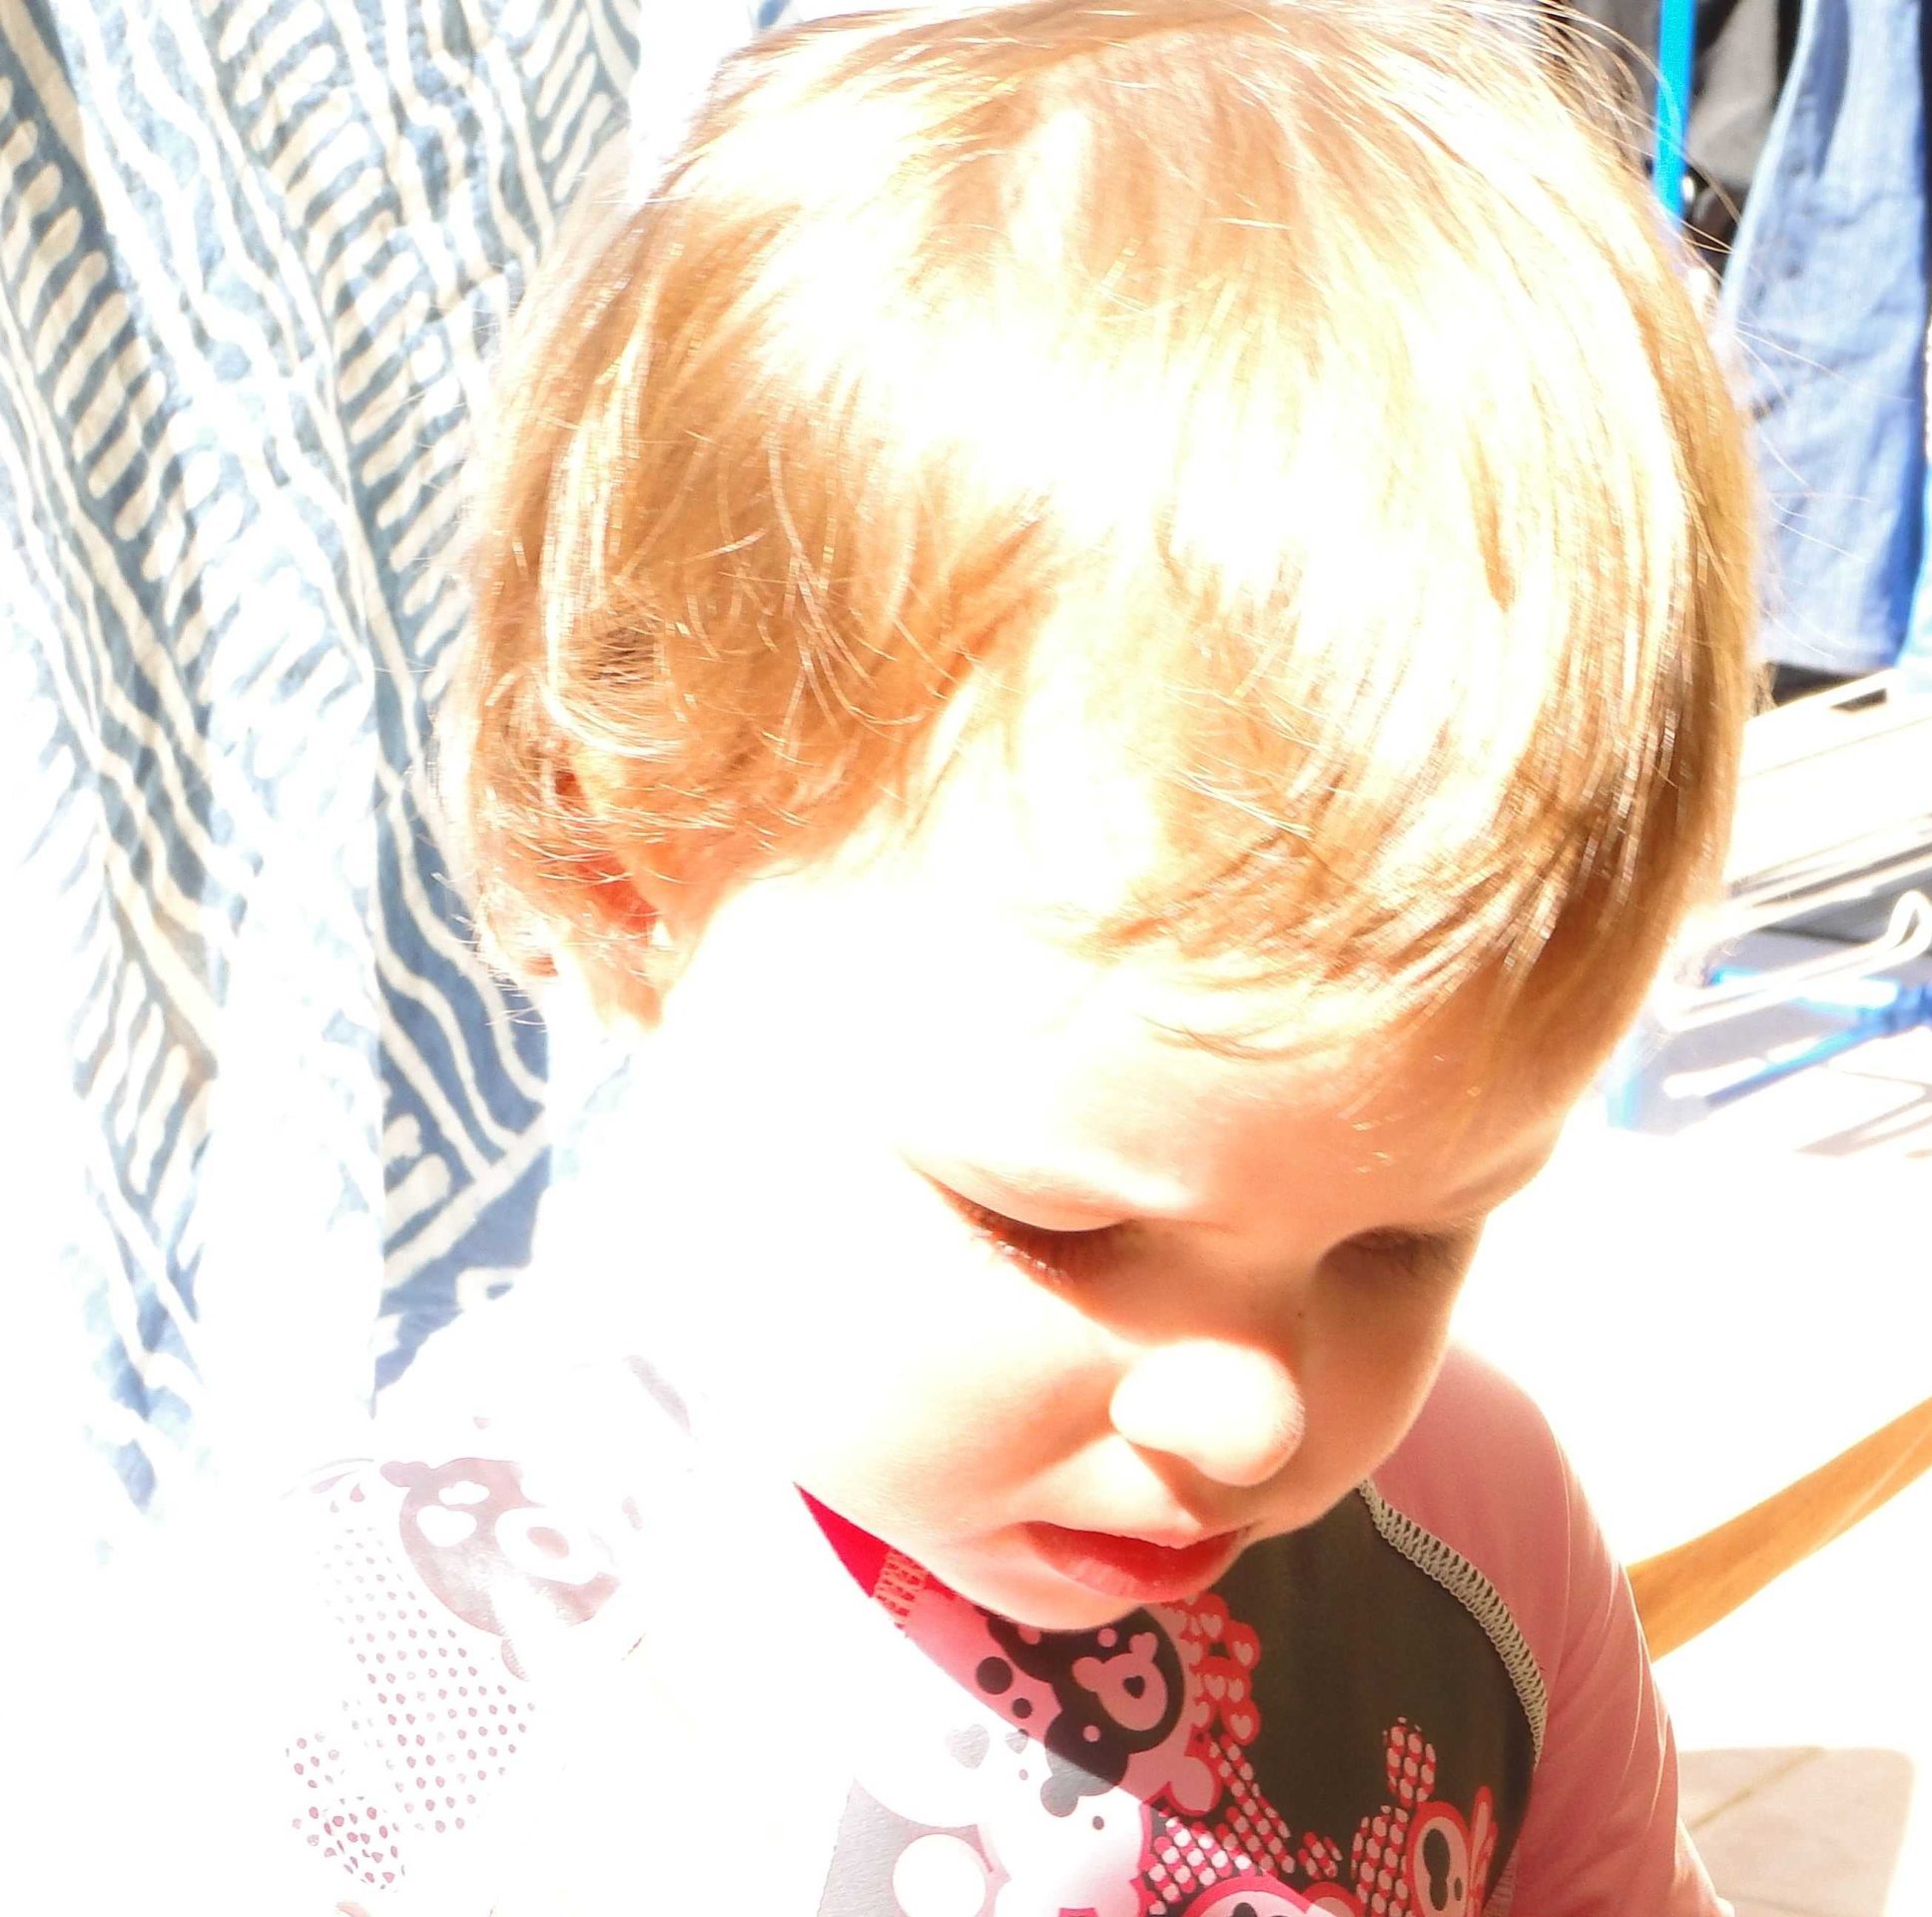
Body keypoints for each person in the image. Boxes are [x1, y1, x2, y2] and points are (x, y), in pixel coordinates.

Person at [205, 2, 1755, 1909]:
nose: (1253, 1417)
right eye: (1061, 1229)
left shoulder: (1476, 1533)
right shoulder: (400, 1692)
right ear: (625, 877)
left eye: (1402, 1243)